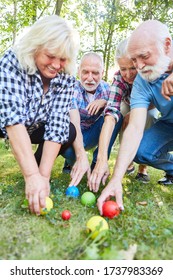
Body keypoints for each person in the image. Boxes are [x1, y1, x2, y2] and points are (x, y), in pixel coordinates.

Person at [0, 15, 79, 215]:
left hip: (34, 126)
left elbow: (57, 124)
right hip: (9, 121)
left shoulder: (67, 76)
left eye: (62, 59)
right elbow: (13, 121)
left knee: (68, 130)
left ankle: (37, 172)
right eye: (50, 56)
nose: (56, 64)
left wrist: (42, 176)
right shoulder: (12, 61)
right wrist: (30, 175)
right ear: (35, 47)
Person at [93, 19, 173, 214]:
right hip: (168, 124)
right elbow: (135, 128)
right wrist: (116, 179)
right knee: (140, 151)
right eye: (134, 60)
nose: (138, 67)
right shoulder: (142, 81)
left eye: (143, 56)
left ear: (167, 45)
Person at [88, 38, 159, 191]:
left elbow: (155, 100)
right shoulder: (119, 78)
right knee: (118, 113)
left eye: (132, 68)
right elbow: (110, 114)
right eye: (123, 68)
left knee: (148, 119)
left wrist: (135, 112)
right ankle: (127, 161)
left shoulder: (148, 73)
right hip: (127, 102)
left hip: (149, 105)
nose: (127, 74)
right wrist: (102, 159)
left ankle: (142, 169)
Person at [61, 52, 123, 187]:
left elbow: (120, 103)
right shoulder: (71, 89)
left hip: (93, 134)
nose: (90, 78)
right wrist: (80, 155)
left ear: (102, 72)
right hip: (74, 135)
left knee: (116, 117)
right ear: (78, 71)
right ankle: (72, 163)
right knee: (67, 151)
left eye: (95, 73)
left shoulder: (107, 89)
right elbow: (74, 123)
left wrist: (104, 101)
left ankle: (97, 164)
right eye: (85, 72)